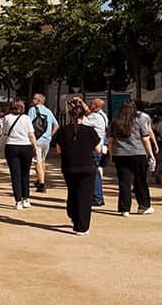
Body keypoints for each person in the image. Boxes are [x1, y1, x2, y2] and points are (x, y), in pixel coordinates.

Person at [56, 98, 102, 235]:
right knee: (85, 196)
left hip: (69, 166)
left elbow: (58, 150)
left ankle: (73, 215)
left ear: (71, 116)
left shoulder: (63, 131)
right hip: (87, 166)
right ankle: (82, 226)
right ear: (83, 116)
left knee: (73, 192)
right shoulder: (90, 131)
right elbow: (98, 149)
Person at [109, 100, 155, 216]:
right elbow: (145, 138)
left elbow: (110, 141)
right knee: (140, 180)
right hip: (138, 153)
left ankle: (124, 208)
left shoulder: (115, 120)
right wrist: (150, 154)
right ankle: (143, 206)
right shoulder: (140, 119)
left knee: (124, 182)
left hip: (120, 154)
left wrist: (111, 155)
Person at [0, 100, 39, 210]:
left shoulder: (6, 118)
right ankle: (26, 198)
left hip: (11, 146)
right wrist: (35, 147)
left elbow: (5, 132)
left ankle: (18, 201)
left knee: (15, 175)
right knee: (25, 174)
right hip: (25, 146)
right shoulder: (26, 118)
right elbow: (31, 135)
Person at [28, 93, 59, 193]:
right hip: (46, 140)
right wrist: (50, 135)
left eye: (34, 98)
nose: (32, 100)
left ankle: (41, 184)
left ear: (39, 100)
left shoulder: (32, 110)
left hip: (37, 140)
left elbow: (28, 125)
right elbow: (56, 125)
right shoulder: (48, 111)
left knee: (37, 161)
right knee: (43, 160)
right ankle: (40, 179)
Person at [82, 98, 109, 206]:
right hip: (100, 146)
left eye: (92, 103)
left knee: (94, 173)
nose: (89, 105)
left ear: (96, 106)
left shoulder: (94, 117)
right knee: (96, 171)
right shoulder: (103, 115)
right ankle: (97, 196)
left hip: (94, 148)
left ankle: (97, 197)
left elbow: (82, 121)